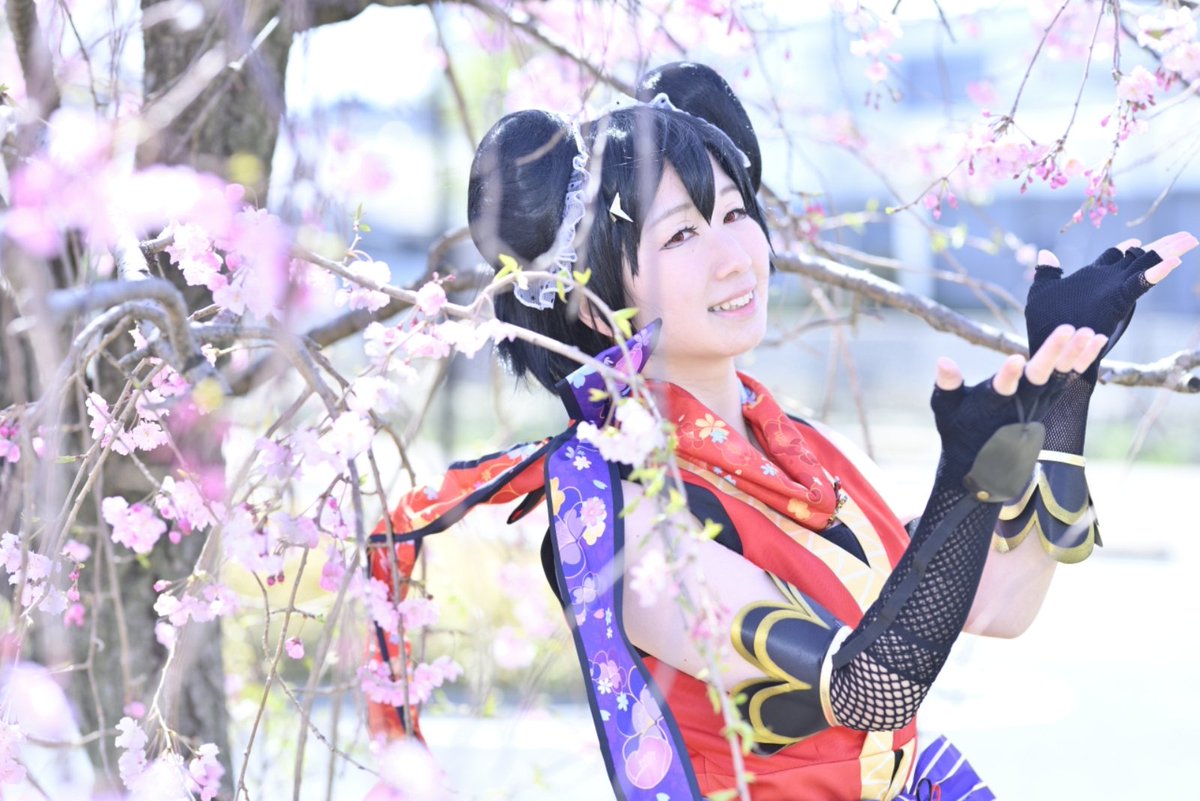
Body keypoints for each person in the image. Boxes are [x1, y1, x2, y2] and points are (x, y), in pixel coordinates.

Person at [363, 62, 1197, 800]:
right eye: (682, 233)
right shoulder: (620, 514)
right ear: (589, 302)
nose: (734, 256)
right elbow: (866, 687)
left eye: (735, 214)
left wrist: (1061, 389)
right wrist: (966, 488)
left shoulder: (804, 444)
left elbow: (996, 602)